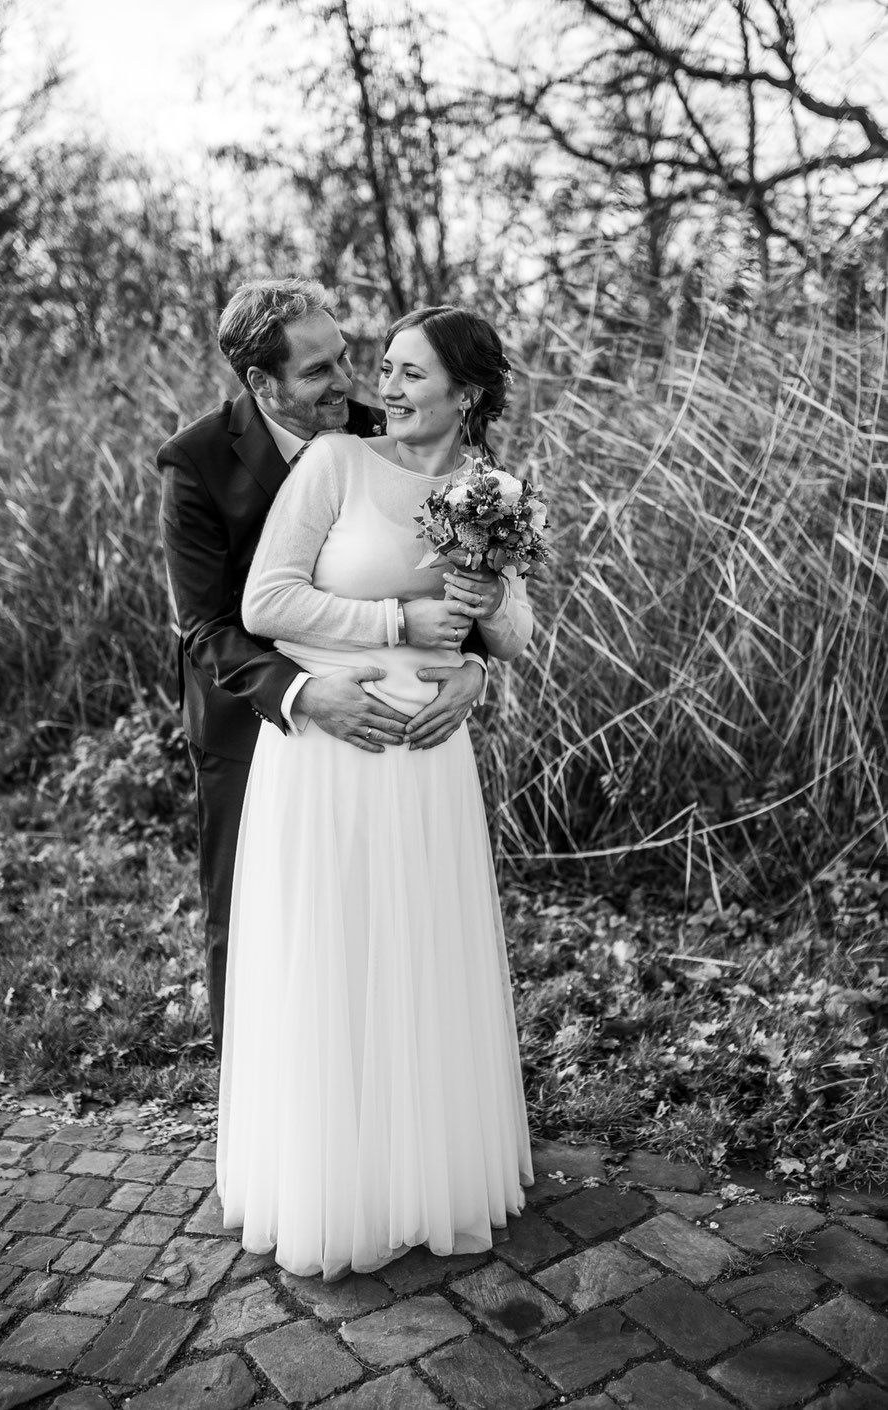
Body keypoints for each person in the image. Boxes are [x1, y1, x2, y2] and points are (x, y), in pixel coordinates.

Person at [217, 305, 534, 1279]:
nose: (382, 388)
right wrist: (398, 617)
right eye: (383, 369)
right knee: (334, 952)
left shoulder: (491, 489)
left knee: (417, 954)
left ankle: (422, 1176)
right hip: (328, 745)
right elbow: (263, 603)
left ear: (465, 394)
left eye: (407, 373)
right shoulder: (333, 468)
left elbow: (513, 634)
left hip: (427, 756)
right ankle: (331, 1185)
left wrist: (478, 643)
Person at [156, 279, 488, 1056]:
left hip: (385, 730)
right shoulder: (197, 462)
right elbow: (206, 625)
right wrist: (304, 696)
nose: (348, 383)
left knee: (375, 919)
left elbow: (439, 574)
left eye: (344, 357)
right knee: (250, 918)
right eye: (317, 373)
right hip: (250, 723)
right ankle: (263, 1110)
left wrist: (473, 667)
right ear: (261, 383)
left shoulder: (380, 434)